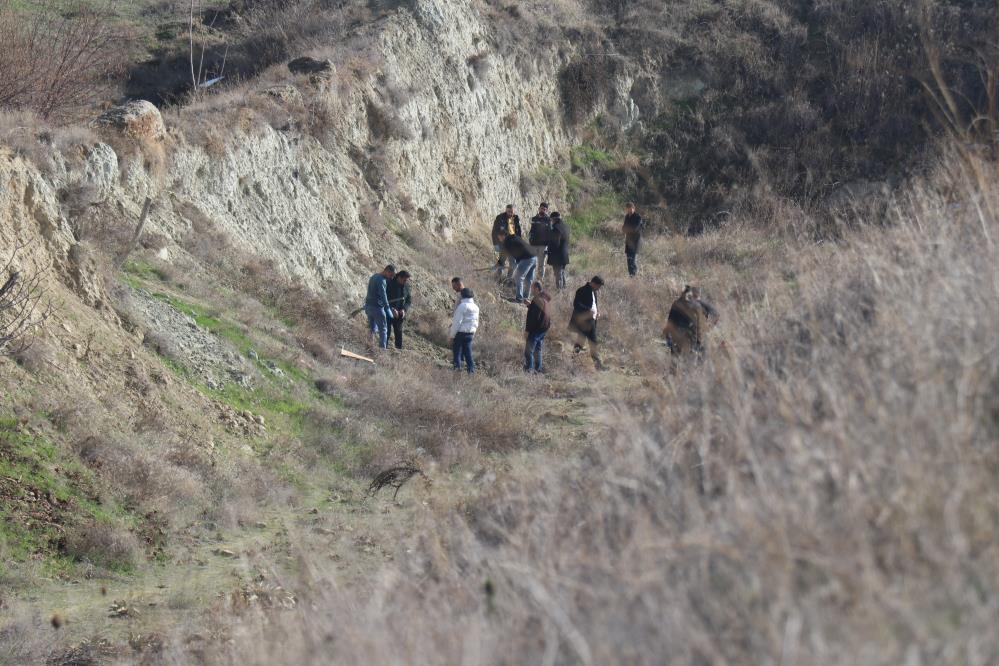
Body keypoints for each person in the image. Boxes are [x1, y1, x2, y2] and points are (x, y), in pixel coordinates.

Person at [663, 285, 719, 355]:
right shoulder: (679, 304)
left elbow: (715, 314)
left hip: (690, 339)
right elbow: (670, 323)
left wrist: (708, 326)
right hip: (684, 339)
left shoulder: (699, 304)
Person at [569, 276, 606, 370]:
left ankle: (598, 366)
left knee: (593, 343)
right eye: (598, 286)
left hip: (592, 321)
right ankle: (571, 363)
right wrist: (587, 310)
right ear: (594, 283)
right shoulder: (582, 290)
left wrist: (597, 312)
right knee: (580, 343)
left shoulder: (594, 291)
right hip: (584, 322)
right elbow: (576, 304)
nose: (599, 288)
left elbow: (594, 304)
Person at [497, 229, 536, 303]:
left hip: (526, 259)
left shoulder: (507, 242)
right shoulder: (515, 237)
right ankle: (526, 298)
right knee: (528, 279)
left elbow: (503, 257)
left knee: (519, 277)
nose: (499, 239)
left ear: (503, 236)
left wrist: (498, 264)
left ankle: (519, 299)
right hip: (534, 257)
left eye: (499, 237)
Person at [449, 287, 479, 374]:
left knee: (457, 353)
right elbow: (476, 322)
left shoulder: (462, 306)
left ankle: (457, 372)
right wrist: (473, 332)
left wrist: (452, 335)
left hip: (460, 333)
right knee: (468, 353)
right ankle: (471, 372)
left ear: (462, 296)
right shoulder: (476, 307)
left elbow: (457, 322)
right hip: (470, 333)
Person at [365, 264, 395, 350]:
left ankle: (369, 348)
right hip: (377, 308)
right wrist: (387, 308)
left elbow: (370, 293)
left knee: (371, 329)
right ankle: (382, 352)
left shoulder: (373, 276)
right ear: (387, 271)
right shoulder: (381, 280)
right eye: (391, 275)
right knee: (383, 330)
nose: (391, 277)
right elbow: (383, 295)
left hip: (369, 307)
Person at [524, 281, 551, 373]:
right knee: (537, 350)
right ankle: (538, 369)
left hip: (536, 328)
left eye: (532, 288)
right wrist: (530, 305)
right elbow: (538, 312)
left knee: (528, 351)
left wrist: (527, 330)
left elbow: (533, 317)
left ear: (536, 288)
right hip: (543, 328)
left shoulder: (537, 299)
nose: (531, 290)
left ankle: (529, 371)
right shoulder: (544, 299)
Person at [491, 205, 521, 282]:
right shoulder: (500, 218)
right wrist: (496, 244)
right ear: (506, 210)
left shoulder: (516, 219)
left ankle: (508, 279)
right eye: (509, 211)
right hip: (502, 245)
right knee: (501, 262)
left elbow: (518, 233)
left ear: (514, 211)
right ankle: (498, 278)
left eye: (512, 212)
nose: (510, 213)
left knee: (513, 264)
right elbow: (494, 232)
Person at [386, 270, 412, 350]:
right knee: (386, 332)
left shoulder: (407, 286)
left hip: (399, 316)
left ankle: (398, 351)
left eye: (406, 280)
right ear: (399, 277)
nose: (405, 282)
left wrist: (404, 310)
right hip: (388, 313)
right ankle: (383, 350)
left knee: (399, 333)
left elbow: (408, 300)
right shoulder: (389, 283)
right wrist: (392, 309)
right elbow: (384, 299)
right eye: (404, 280)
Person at [547, 211, 570, 290]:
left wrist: (549, 251)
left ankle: (559, 291)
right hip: (565, 254)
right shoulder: (566, 226)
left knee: (558, 274)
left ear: (554, 219)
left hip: (557, 255)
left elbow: (555, 243)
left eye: (551, 220)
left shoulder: (556, 228)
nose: (551, 221)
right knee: (562, 273)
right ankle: (564, 289)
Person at [528, 202, 552, 281]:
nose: (543, 210)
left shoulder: (548, 220)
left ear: (547, 211)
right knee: (532, 263)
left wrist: (548, 247)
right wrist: (530, 240)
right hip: (533, 245)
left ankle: (539, 281)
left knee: (541, 265)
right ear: (539, 209)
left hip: (543, 246)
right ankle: (531, 279)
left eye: (545, 210)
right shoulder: (534, 219)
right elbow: (531, 231)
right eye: (542, 209)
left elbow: (550, 234)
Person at [622, 202, 645, 277]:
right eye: (628, 209)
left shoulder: (638, 217)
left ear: (634, 208)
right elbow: (623, 228)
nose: (629, 210)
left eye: (631, 209)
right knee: (628, 260)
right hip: (628, 242)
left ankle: (634, 276)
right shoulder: (626, 217)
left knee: (633, 260)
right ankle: (631, 276)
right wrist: (628, 229)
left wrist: (627, 229)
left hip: (636, 242)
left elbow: (635, 229)